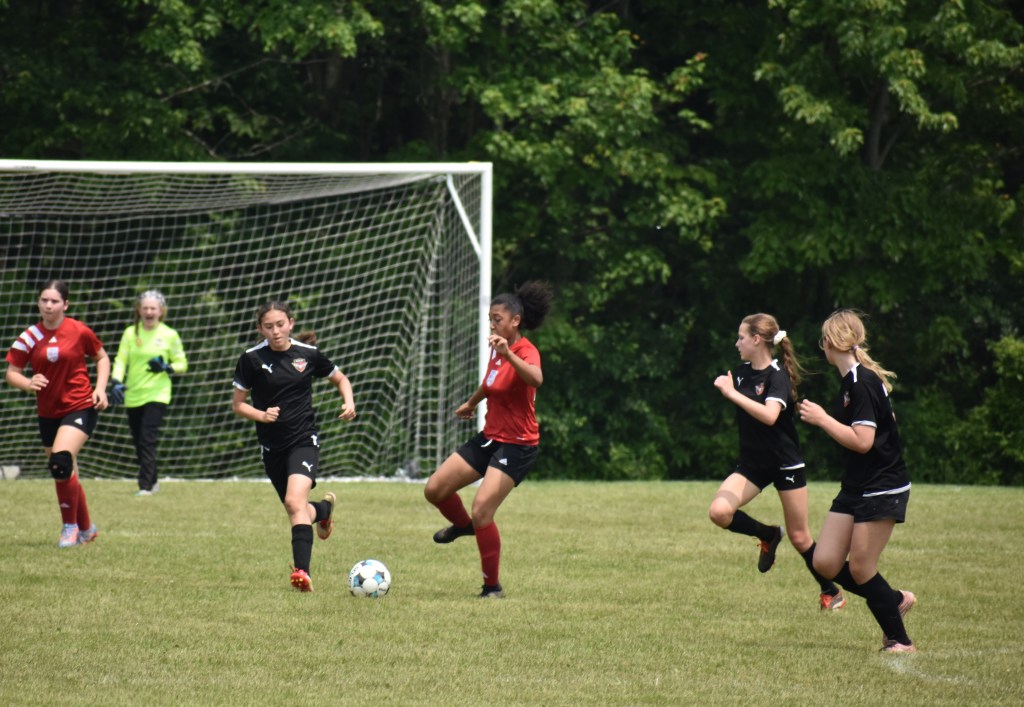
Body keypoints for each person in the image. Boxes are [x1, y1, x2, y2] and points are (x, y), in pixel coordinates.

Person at [424, 281, 554, 598]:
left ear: (515, 321)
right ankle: (465, 526)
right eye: (490, 319)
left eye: (498, 319)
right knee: (435, 489)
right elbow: (490, 383)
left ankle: (492, 587)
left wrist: (508, 354)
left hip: (518, 445)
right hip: (490, 437)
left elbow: (536, 378)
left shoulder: (524, 351)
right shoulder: (497, 349)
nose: (492, 324)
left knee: (482, 509)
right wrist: (471, 403)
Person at [798, 309, 916, 653]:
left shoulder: (862, 381)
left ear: (829, 342)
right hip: (857, 485)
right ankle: (893, 599)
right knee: (825, 562)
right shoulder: (853, 380)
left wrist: (822, 419)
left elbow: (863, 441)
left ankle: (900, 640)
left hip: (882, 486)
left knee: (862, 569)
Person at [710, 313, 845, 610]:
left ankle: (831, 591)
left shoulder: (777, 376)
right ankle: (768, 534)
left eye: (741, 337)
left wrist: (731, 394)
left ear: (757, 339)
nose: (737, 343)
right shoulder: (741, 374)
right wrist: (734, 389)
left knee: (800, 537)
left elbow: (770, 416)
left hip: (785, 465)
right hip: (753, 465)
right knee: (719, 512)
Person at [231, 300, 355, 592]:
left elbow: (341, 379)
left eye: (280, 324)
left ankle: (302, 573)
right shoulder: (251, 359)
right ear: (260, 329)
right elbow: (238, 405)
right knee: (298, 508)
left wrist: (349, 401)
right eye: (269, 326)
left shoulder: (307, 354)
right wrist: (262, 415)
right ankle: (323, 510)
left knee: (293, 503)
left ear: (291, 323)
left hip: (303, 441)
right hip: (272, 447)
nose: (275, 331)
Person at [4, 280, 109, 547]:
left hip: (80, 405)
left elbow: (102, 357)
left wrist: (100, 389)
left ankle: (69, 528)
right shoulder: (30, 336)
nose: (48, 306)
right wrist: (28, 383)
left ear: (66, 304)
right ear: (38, 302)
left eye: (54, 301)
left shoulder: (79, 330)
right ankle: (87, 529)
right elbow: (12, 373)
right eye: (44, 300)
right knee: (65, 471)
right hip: (48, 412)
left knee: (61, 461)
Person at [109, 290, 189, 496]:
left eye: (153, 308)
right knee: (139, 441)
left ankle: (144, 487)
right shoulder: (130, 333)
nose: (149, 312)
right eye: (145, 308)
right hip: (133, 394)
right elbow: (121, 360)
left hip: (158, 394)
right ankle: (153, 481)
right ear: (139, 310)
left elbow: (182, 363)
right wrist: (116, 381)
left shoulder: (170, 334)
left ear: (161, 311)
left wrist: (167, 367)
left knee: (147, 438)